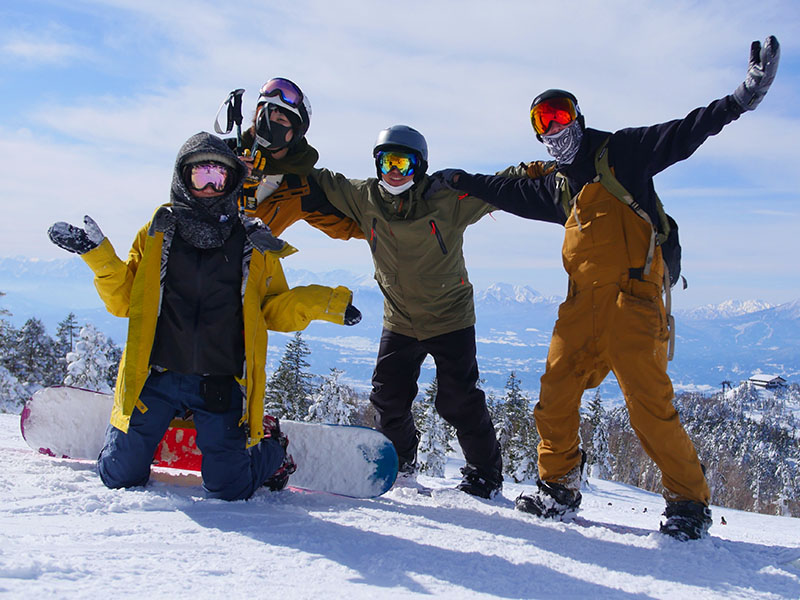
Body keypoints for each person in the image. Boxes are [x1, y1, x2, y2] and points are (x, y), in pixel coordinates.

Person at [431, 36, 780, 538]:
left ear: (578, 115)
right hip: (579, 309)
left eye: (560, 113)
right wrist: (461, 179)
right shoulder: (559, 188)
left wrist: (741, 98)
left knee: (648, 406)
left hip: (633, 303)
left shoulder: (623, 153)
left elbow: (683, 133)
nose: (554, 126)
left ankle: (688, 501)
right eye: (542, 121)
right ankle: (559, 487)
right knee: (554, 396)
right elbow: (506, 191)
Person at [47, 132, 360, 501]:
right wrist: (97, 255)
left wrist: (326, 304)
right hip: (157, 378)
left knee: (230, 489)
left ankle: (271, 450)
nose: (210, 187)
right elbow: (124, 302)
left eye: (220, 177)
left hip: (219, 383)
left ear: (232, 182)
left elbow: (273, 308)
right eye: (201, 176)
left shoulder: (253, 243)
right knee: (118, 477)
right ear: (183, 179)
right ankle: (127, 443)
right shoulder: (156, 234)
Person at [308, 125, 505, 499]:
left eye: (404, 162)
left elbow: (498, 187)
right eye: (387, 162)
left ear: (421, 167)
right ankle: (400, 462)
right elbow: (321, 180)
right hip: (399, 319)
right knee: (387, 397)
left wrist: (540, 171)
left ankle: (485, 473)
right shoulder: (364, 197)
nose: (394, 171)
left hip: (451, 318)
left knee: (458, 399)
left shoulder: (448, 201)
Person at [232, 77, 363, 240]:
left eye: (280, 120)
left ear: (296, 132)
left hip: (252, 263)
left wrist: (394, 232)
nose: (269, 125)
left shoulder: (300, 187)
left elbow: (347, 227)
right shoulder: (226, 157)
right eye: (264, 117)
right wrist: (231, 183)